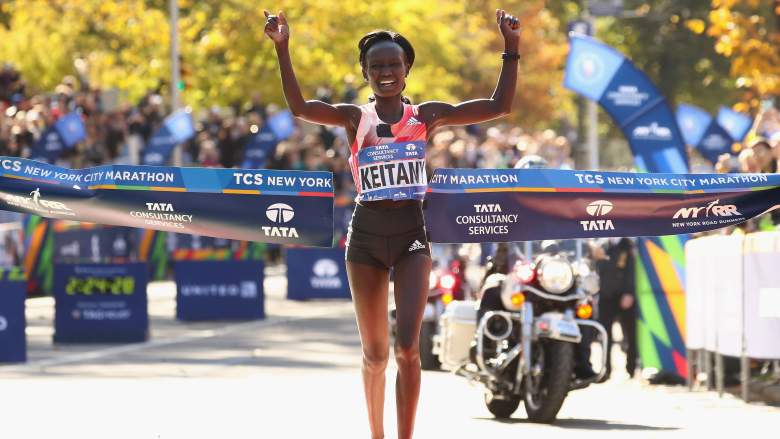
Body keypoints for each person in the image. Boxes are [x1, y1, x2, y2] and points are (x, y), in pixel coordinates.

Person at [264, 8, 520, 438]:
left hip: (411, 235)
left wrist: (511, 48)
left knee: (407, 349)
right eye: (376, 66)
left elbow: (500, 106)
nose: (385, 72)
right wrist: (282, 47)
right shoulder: (354, 119)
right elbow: (300, 107)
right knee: (376, 356)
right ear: (365, 72)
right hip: (365, 236)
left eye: (393, 65)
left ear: (407, 70)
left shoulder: (427, 116)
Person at [594, 237, 637, 380]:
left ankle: (631, 368)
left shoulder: (628, 246)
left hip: (624, 296)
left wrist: (629, 293)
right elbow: (597, 271)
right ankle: (605, 370)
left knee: (630, 335)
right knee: (605, 335)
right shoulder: (602, 247)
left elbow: (631, 271)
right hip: (606, 297)